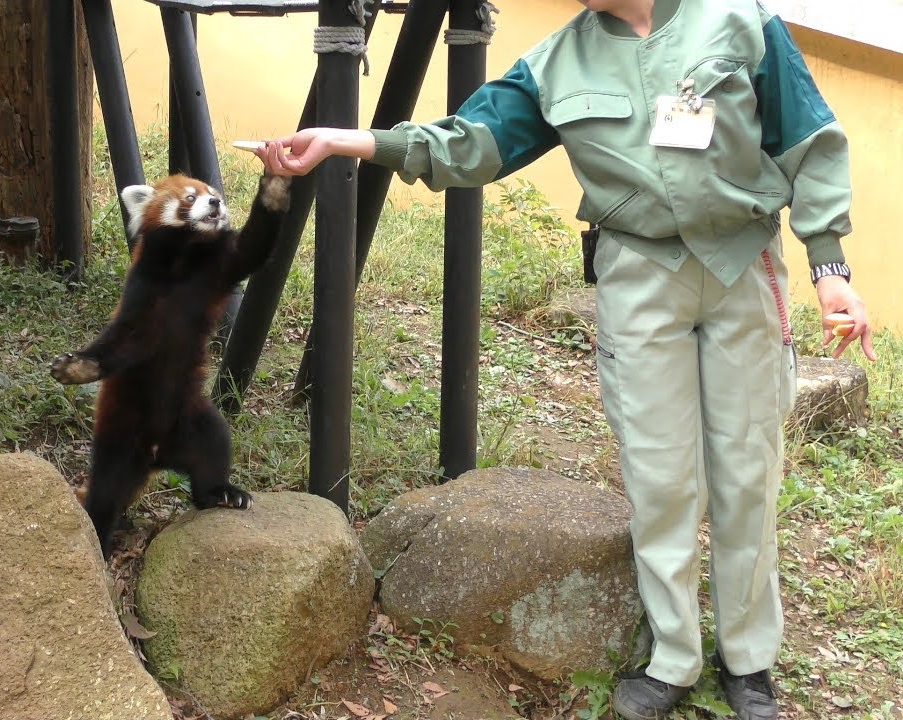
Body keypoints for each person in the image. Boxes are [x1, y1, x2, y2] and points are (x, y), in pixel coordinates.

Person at [253, 1, 875, 718]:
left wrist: (829, 266)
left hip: (743, 264)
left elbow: (809, 137)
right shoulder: (557, 63)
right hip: (641, 274)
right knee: (660, 472)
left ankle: (749, 661)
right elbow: (469, 144)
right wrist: (345, 141)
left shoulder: (736, 18)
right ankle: (673, 655)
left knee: (747, 470)